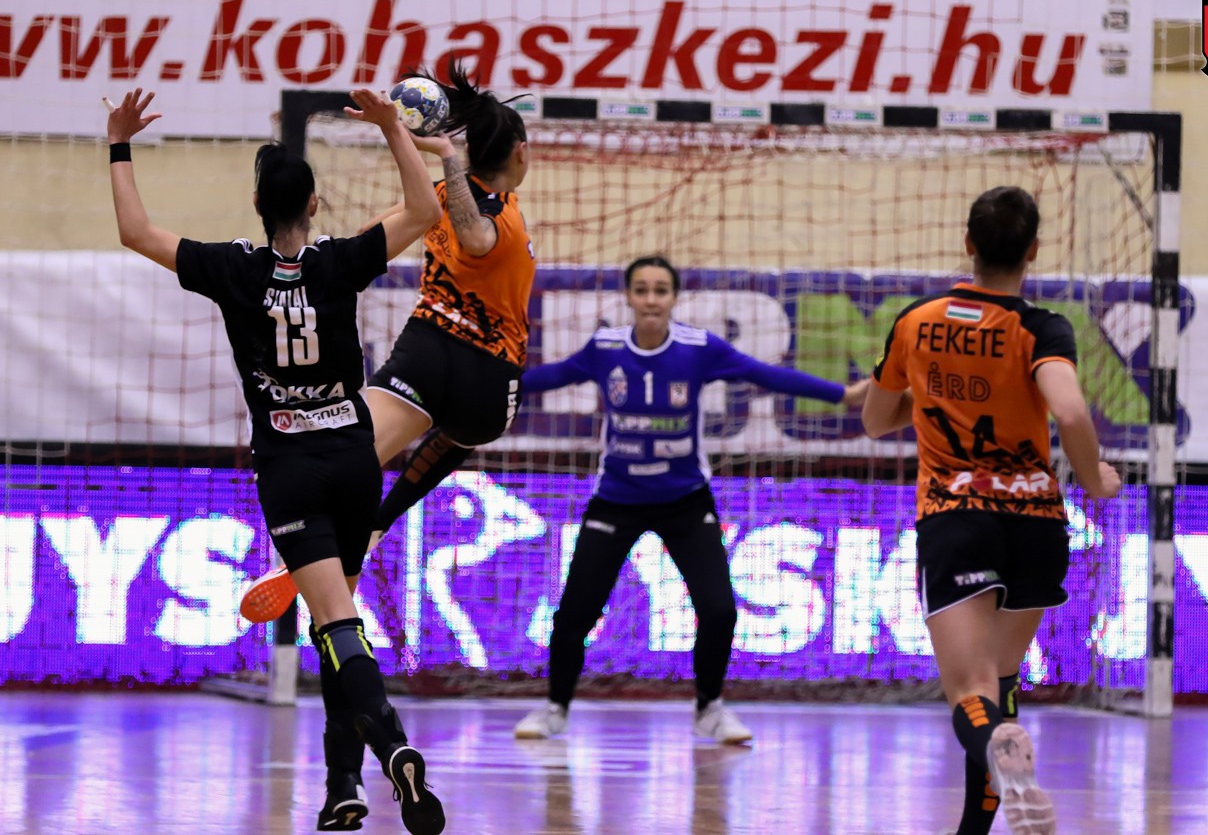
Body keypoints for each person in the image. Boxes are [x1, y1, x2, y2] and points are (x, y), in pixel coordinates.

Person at [105, 86, 447, 835]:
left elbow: (134, 231)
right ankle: (342, 785)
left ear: (258, 206)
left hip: (290, 468)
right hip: (354, 457)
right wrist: (393, 129)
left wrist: (120, 144)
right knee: (340, 621)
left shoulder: (232, 269)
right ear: (315, 205)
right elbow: (425, 210)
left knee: (335, 622)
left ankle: (392, 745)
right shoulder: (339, 263)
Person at [512, 255, 865, 744]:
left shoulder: (698, 349)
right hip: (616, 499)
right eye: (642, 290)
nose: (651, 299)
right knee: (575, 612)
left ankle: (710, 709)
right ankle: (555, 708)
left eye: (660, 290)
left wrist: (843, 395)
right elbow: (550, 377)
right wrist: (480, 388)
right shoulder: (606, 349)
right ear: (629, 298)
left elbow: (767, 375)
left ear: (674, 298)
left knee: (719, 610)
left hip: (684, 500)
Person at [859, 186, 1121, 835]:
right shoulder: (1043, 327)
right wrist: (1095, 479)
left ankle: (1002, 758)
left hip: (957, 516)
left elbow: (876, 420)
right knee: (1000, 682)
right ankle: (976, 826)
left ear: (968, 243)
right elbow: (1071, 411)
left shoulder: (917, 320)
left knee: (969, 691)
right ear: (1033, 251)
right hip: (1037, 522)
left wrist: (932, 395)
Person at [242, 60, 535, 619]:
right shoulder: (502, 215)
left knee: (343, 454)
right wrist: (444, 157)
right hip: (487, 380)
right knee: (455, 437)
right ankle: (368, 535)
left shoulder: (440, 197)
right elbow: (477, 239)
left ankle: (330, 546)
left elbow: (372, 234)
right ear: (520, 153)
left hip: (427, 351)